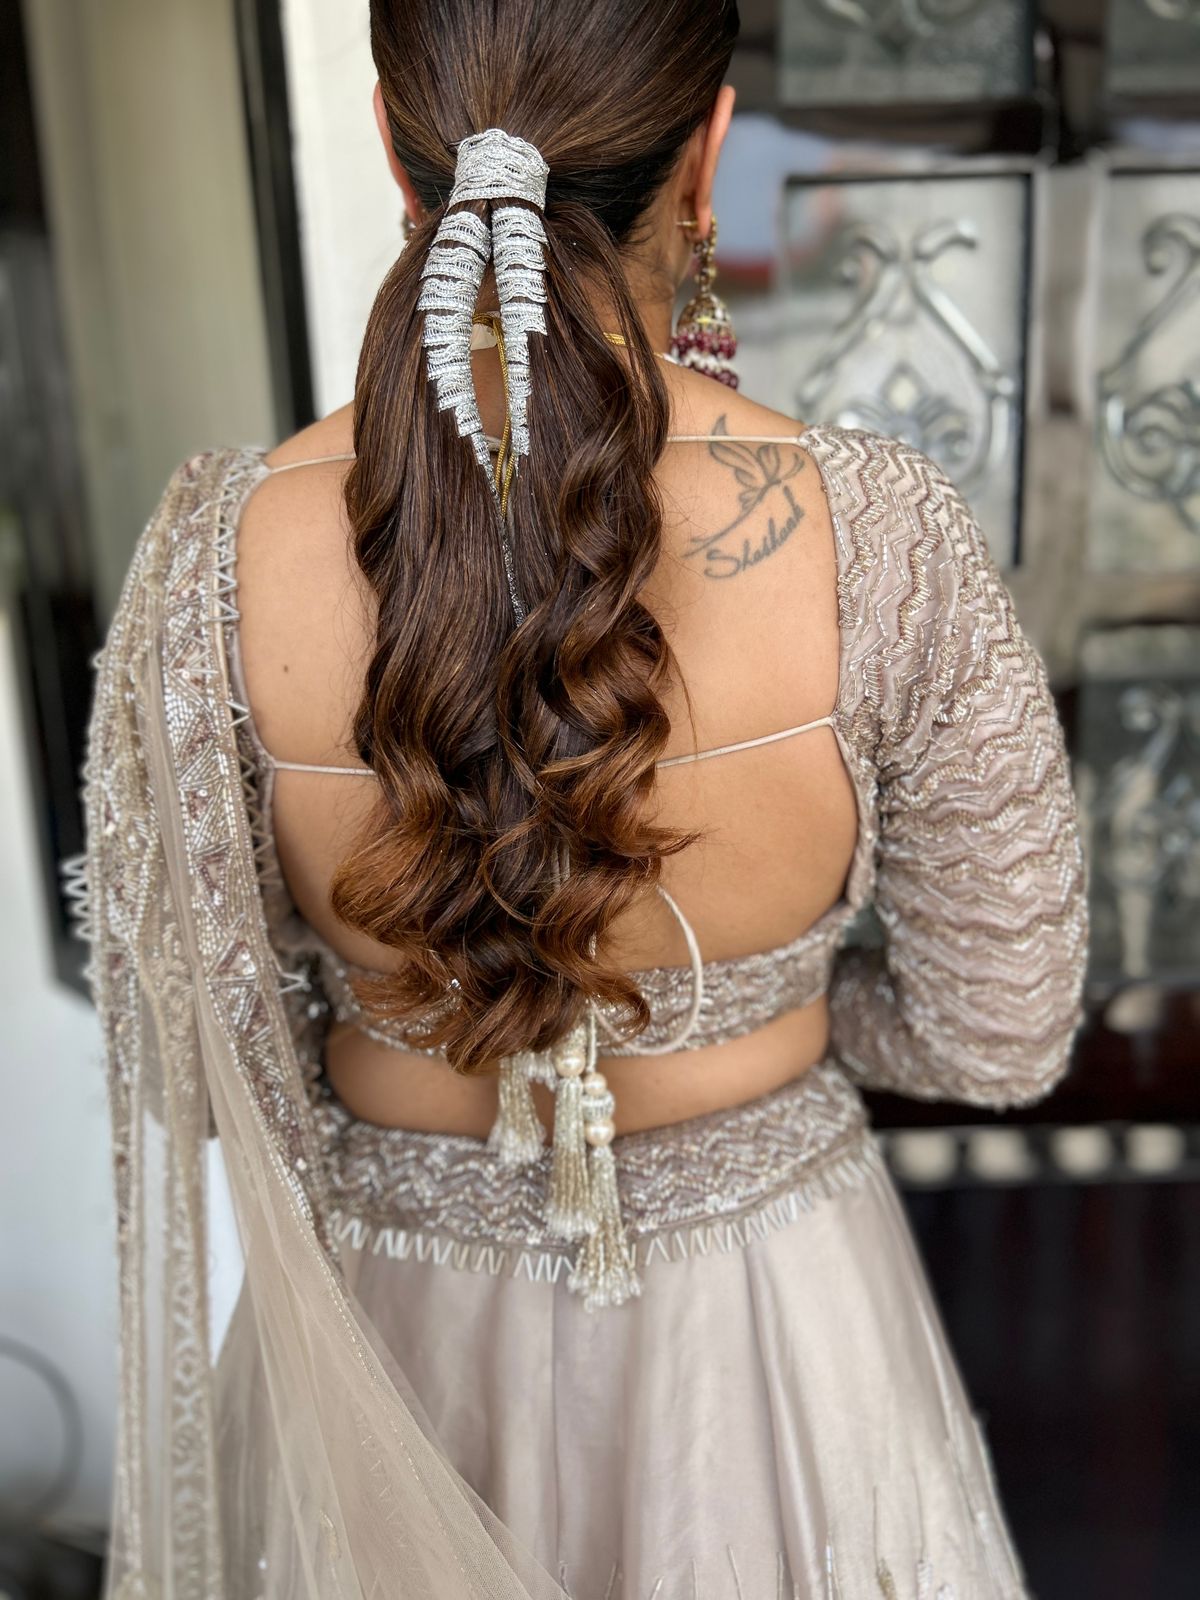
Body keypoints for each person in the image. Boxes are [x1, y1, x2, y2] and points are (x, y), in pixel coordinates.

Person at [77, 2, 1088, 1596]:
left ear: (401, 155)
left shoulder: (215, 557)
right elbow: (1001, 1032)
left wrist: (421, 1011)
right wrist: (764, 1010)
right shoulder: (883, 538)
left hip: (389, 1361)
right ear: (707, 155)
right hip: (771, 1344)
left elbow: (194, 1062)